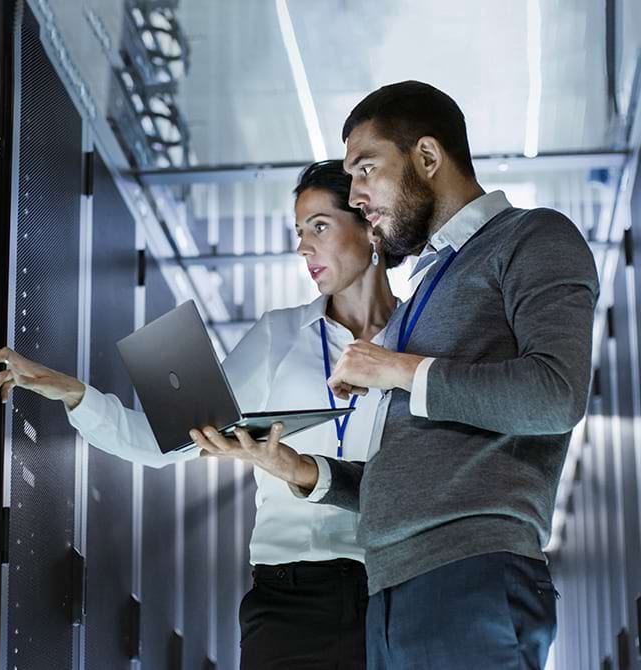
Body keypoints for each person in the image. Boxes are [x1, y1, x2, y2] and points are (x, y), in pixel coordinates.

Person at [192, 81, 600, 670]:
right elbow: (407, 473)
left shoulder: (532, 237)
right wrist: (299, 470)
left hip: (470, 575)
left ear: (428, 158)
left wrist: (394, 367)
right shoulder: (427, 291)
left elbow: (554, 395)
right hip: (391, 591)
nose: (356, 195)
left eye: (366, 168)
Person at [0, 160, 403, 670]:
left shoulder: (419, 341)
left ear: (369, 226)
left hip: (393, 592)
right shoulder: (278, 335)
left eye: (319, 226)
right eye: (298, 232)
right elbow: (166, 443)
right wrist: (73, 393)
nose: (303, 247)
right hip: (289, 599)